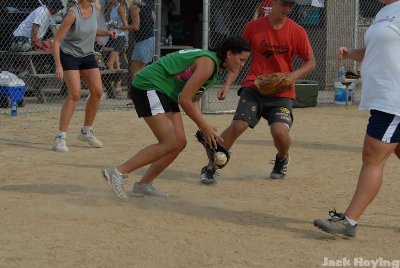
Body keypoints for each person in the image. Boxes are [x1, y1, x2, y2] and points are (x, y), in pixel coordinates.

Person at [102, 35, 251, 200]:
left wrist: (204, 126)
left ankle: (144, 185)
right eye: (241, 59)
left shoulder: (213, 67)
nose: (242, 64)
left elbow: (193, 100)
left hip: (165, 91)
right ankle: (118, 172)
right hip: (149, 86)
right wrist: (203, 126)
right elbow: (184, 100)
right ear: (230, 54)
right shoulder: (208, 63)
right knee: (169, 142)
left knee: (179, 142)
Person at [199, 0, 316, 185]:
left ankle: (282, 158)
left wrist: (292, 77)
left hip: (282, 92)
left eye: (291, 6)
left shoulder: (297, 31)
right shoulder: (254, 27)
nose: (288, 9)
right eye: (285, 4)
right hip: (254, 87)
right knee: (238, 126)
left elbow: (311, 62)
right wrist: (227, 84)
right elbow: (238, 58)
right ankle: (211, 166)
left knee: (279, 132)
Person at [313, 0, 400, 238]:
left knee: (372, 159)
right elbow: (379, 49)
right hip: (383, 97)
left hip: (394, 101)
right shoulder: (385, 11)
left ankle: (349, 221)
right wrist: (350, 53)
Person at [52, 0, 118, 152]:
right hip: (69, 55)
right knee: (74, 94)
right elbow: (56, 41)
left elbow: (92, 30)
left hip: (87, 54)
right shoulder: (72, 14)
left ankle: (86, 131)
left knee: (97, 92)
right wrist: (58, 65)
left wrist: (107, 32)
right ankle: (60, 137)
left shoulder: (97, 7)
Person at [105, 0, 129, 98]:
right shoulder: (112, 7)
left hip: (120, 37)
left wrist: (117, 26)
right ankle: (117, 87)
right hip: (112, 36)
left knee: (109, 63)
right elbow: (107, 19)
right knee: (116, 63)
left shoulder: (120, 7)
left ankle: (111, 88)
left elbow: (125, 25)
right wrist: (109, 24)